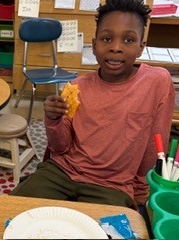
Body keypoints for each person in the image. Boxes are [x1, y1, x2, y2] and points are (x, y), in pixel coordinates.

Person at [11, 0, 175, 209]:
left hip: (113, 184)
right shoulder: (77, 87)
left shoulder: (156, 82)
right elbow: (60, 147)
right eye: (107, 39)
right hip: (63, 172)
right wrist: (53, 119)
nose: (116, 48)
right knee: (15, 210)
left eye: (128, 40)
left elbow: (156, 140)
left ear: (141, 47)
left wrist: (142, 188)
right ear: (94, 44)